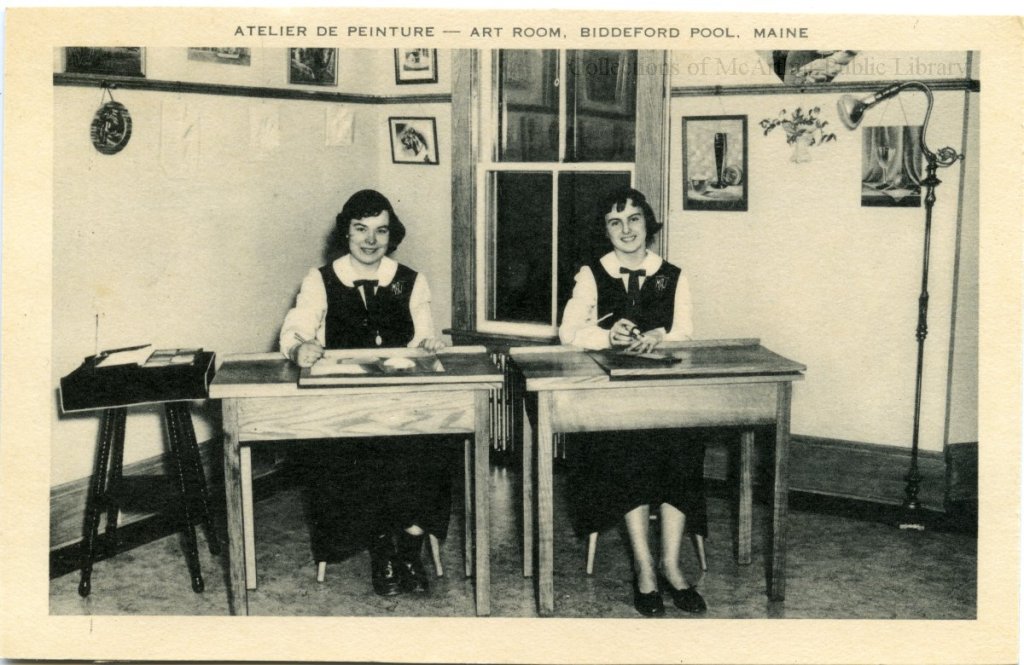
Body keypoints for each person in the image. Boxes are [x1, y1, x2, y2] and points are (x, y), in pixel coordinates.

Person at [279, 189, 450, 597]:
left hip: (403, 406)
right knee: (358, 454)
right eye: (361, 229)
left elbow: (425, 336)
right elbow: (294, 331)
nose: (370, 240)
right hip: (344, 409)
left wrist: (429, 344)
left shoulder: (411, 280)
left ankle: (408, 545)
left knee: (434, 446)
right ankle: (381, 549)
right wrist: (300, 346)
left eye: (381, 231)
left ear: (393, 236)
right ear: (346, 232)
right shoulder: (319, 280)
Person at [558, 187, 708, 617]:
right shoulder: (592, 274)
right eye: (614, 221)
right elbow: (569, 332)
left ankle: (671, 565)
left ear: (648, 224)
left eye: (634, 219)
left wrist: (661, 336)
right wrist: (607, 336)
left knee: (685, 445)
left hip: (665, 396)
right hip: (611, 402)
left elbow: (685, 332)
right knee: (628, 448)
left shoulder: (674, 275)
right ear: (605, 230)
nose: (626, 229)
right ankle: (644, 569)